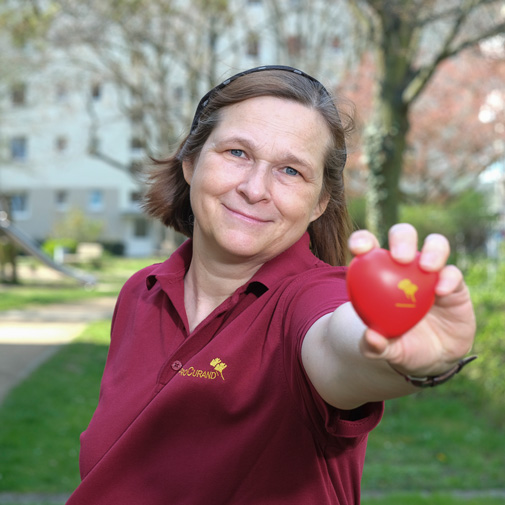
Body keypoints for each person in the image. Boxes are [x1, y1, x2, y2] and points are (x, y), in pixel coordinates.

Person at [66, 65, 476, 505]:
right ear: (191, 162)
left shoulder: (312, 299)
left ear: (319, 203)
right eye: (238, 153)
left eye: (290, 171)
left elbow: (338, 344)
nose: (255, 189)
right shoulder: (141, 292)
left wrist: (400, 352)